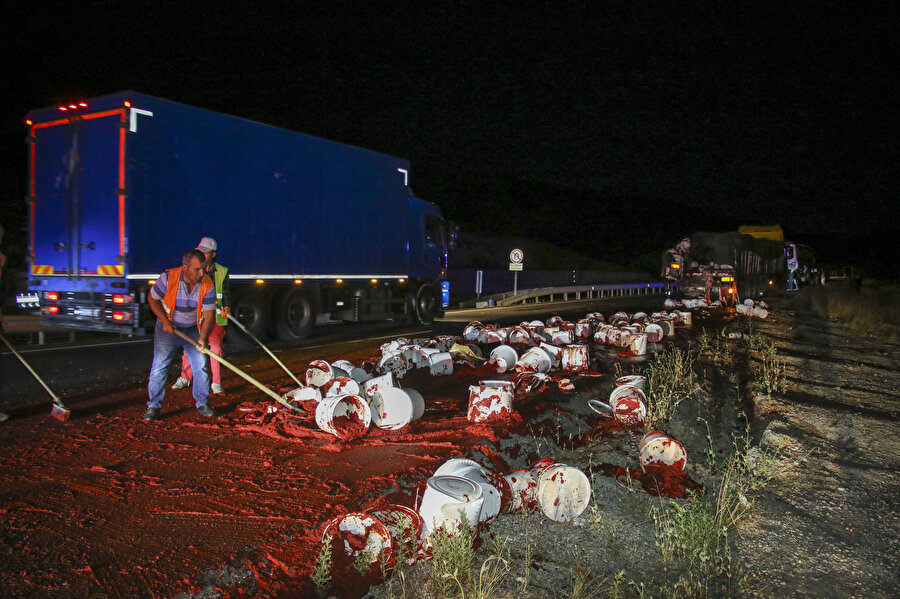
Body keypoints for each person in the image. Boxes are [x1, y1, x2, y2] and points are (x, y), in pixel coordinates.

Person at [144, 249, 216, 421]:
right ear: (185, 267)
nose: (201, 273)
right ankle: (153, 406)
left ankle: (202, 403)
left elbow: (209, 315)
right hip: (168, 328)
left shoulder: (207, 284)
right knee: (160, 366)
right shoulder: (168, 278)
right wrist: (165, 321)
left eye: (203, 268)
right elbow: (152, 298)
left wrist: (203, 338)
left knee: (201, 366)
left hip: (192, 329)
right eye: (197, 269)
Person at [171, 237, 230, 394]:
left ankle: (216, 383)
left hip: (216, 318)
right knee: (191, 345)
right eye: (200, 251)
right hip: (197, 317)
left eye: (205, 252)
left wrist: (226, 308)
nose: (202, 254)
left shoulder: (222, 272)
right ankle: (185, 378)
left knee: (215, 348)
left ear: (213, 254)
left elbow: (226, 294)